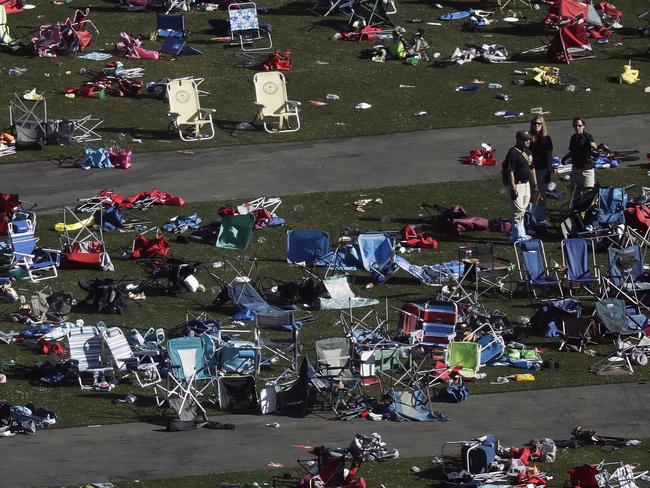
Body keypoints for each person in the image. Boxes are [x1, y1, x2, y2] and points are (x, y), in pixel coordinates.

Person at [502, 130, 538, 242]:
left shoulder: (528, 152)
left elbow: (532, 168)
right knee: (518, 210)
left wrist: (535, 184)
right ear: (518, 140)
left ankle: (519, 233)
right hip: (517, 185)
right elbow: (510, 171)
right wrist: (513, 188)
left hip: (526, 184)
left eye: (528, 139)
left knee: (523, 209)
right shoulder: (513, 153)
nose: (527, 141)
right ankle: (518, 236)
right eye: (525, 139)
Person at [529, 115, 553, 227]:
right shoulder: (529, 139)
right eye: (535, 123)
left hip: (542, 171)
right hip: (531, 170)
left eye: (539, 123)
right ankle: (530, 217)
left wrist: (549, 172)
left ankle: (541, 218)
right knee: (531, 194)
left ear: (542, 125)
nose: (537, 125)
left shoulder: (546, 139)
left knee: (542, 195)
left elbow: (549, 157)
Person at [567, 116, 598, 190]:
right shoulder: (573, 137)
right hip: (575, 169)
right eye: (575, 126)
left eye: (579, 126)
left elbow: (595, 146)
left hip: (586, 169)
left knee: (588, 193)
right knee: (574, 192)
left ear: (583, 126)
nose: (577, 127)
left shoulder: (587, 136)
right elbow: (572, 151)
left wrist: (588, 142)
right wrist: (566, 157)